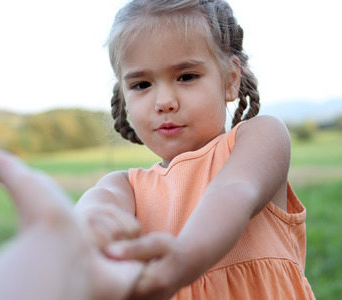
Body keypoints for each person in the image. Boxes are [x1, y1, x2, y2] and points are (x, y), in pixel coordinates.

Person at [75, 0, 316, 299]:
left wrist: (185, 257)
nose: (164, 101)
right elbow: (99, 206)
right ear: (124, 98)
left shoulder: (259, 137)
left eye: (186, 76)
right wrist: (86, 231)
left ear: (230, 79)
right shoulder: (126, 187)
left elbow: (234, 192)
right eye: (141, 84)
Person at [0, 149, 143, 300]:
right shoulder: (126, 182)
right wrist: (87, 220)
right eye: (141, 85)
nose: (164, 102)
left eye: (180, 78)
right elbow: (103, 197)